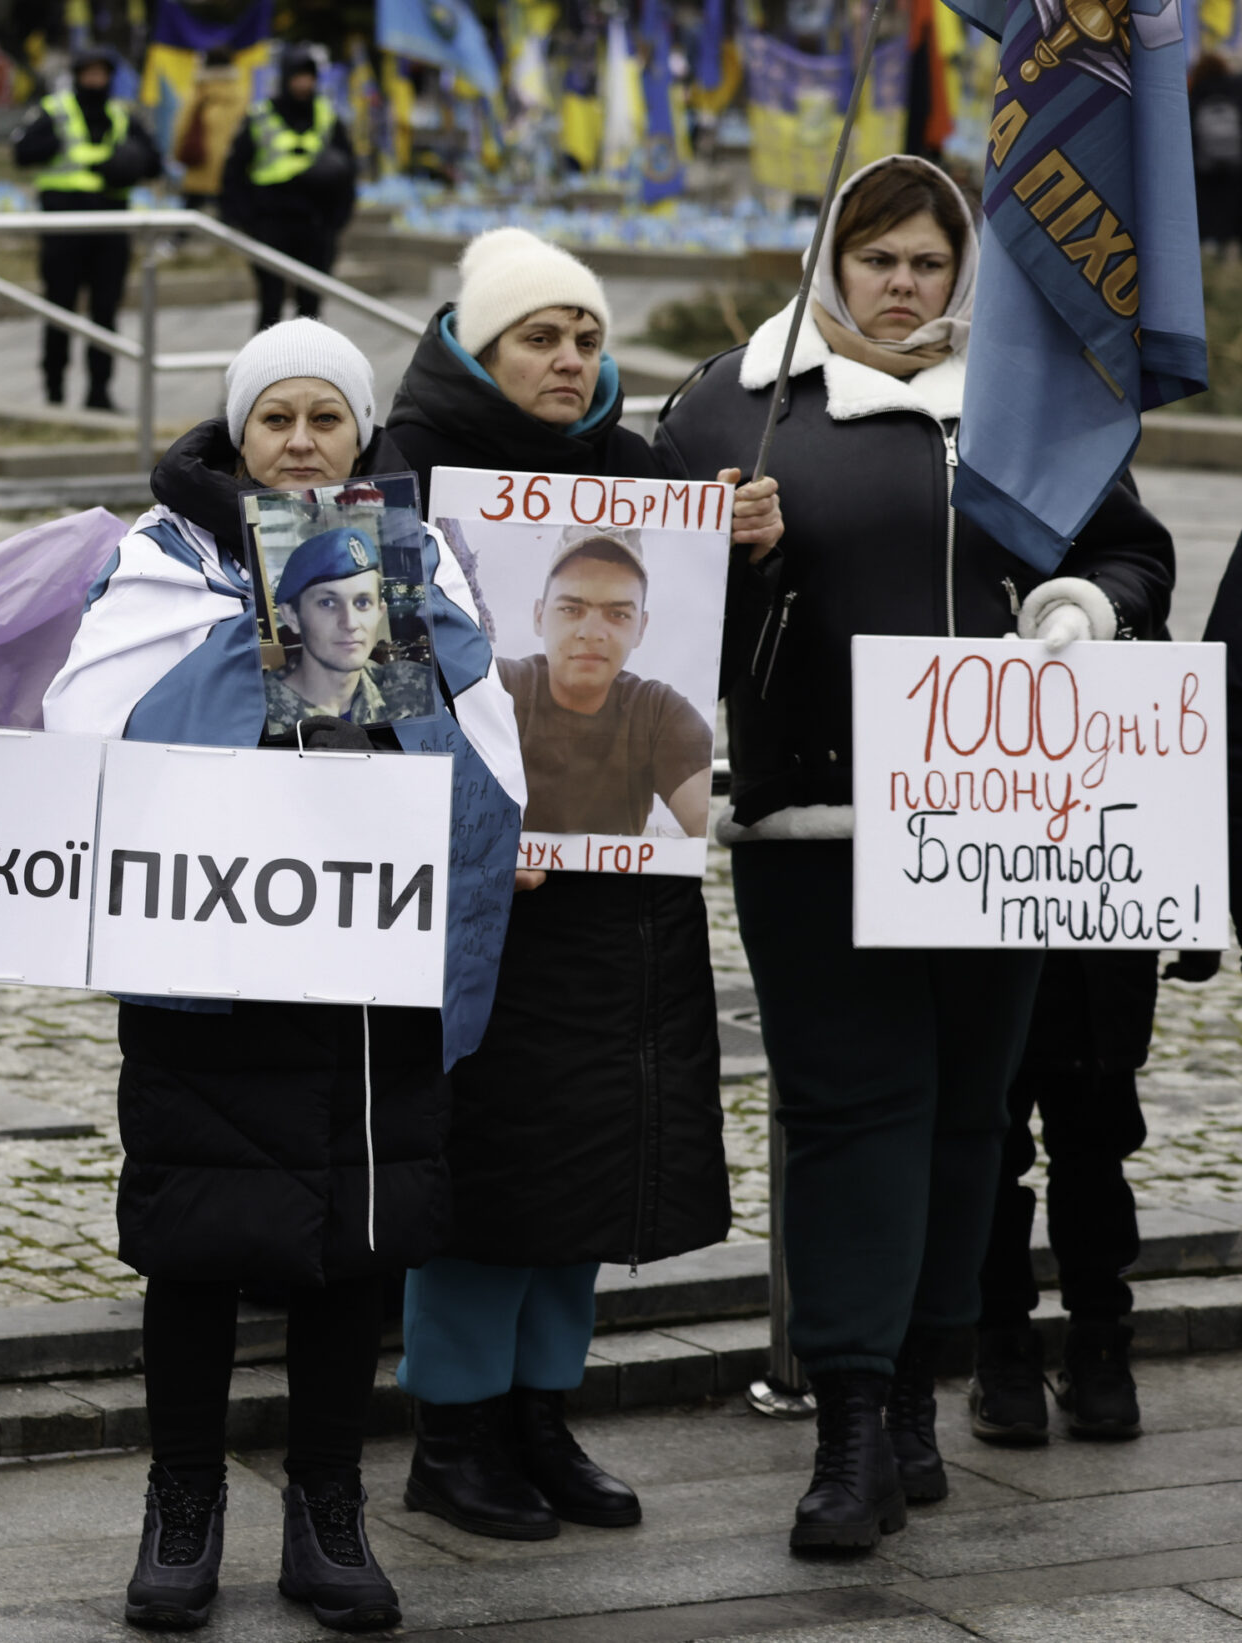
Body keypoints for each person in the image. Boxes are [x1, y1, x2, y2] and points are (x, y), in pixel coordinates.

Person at [656, 155, 1174, 1553]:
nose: (901, 283)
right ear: (833, 261)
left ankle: (916, 1397)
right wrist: (730, 551)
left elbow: (1136, 556)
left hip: (996, 820)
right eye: (877, 257)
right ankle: (845, 1409)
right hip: (816, 822)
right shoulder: (736, 399)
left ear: (962, 277)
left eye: (927, 263)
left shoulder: (1029, 406)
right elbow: (645, 620)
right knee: (849, 1107)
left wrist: (1079, 606)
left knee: (966, 1112)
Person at [45, 318, 526, 1633]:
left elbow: (486, 752)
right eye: (278, 420)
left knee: (352, 1249)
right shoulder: (164, 562)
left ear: (361, 435)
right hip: (212, 959)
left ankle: (329, 1508)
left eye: (327, 418)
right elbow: (91, 735)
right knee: (195, 1244)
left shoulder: (420, 558)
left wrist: (384, 637)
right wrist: (260, 628)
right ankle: (182, 1504)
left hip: (366, 968)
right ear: (239, 433)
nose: (302, 441)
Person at [383, 225, 778, 1542]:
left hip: (614, 900)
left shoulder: (645, 473)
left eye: (587, 335)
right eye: (539, 335)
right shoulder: (408, 475)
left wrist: (749, 550)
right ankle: (452, 1430)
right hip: (479, 899)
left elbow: (707, 669)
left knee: (582, 1167)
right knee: (482, 1172)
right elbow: (356, 699)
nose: (568, 357)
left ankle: (544, 1413)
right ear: (478, 345)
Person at [969, 949, 1157, 1445]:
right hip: (991, 950)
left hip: (1102, 949)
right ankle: (1003, 1344)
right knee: (990, 1154)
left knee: (1094, 1153)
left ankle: (1097, 1343)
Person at [499, 532, 712, 838]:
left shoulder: (657, 710)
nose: (592, 632)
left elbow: (704, 823)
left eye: (618, 614)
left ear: (641, 628)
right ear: (538, 616)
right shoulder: (496, 687)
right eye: (571, 609)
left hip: (619, 886)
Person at [12, 47, 162, 409]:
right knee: (60, 310)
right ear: (78, 75)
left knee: (105, 312)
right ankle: (54, 390)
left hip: (110, 229)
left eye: (102, 74)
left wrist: (128, 164)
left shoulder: (122, 116)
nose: (96, 80)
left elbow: (154, 163)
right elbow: (22, 153)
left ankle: (99, 392)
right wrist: (56, 145)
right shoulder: (54, 111)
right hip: (64, 228)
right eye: (89, 73)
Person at [221, 44, 358, 330]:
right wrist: (244, 219)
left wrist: (337, 220)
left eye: (308, 76)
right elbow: (235, 171)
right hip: (271, 223)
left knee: (311, 309)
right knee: (270, 304)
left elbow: (348, 171)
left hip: (316, 225)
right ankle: (264, 372)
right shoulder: (260, 116)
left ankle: (308, 372)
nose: (303, 83)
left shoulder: (328, 116)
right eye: (297, 76)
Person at [260, 525, 435, 734]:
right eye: (327, 603)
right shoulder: (257, 716)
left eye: (362, 603)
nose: (350, 623)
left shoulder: (418, 689)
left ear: (380, 612)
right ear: (292, 616)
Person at [172, 49, 249, 212]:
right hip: (229, 166)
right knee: (227, 218)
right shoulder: (240, 93)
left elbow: (182, 127)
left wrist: (178, 152)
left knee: (190, 215)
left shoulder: (198, 91)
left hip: (198, 162)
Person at [1194, 53, 1242, 262]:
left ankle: (1210, 254)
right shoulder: (1236, 90)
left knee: (1209, 213)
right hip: (1235, 169)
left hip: (1203, 170)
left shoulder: (1194, 92)